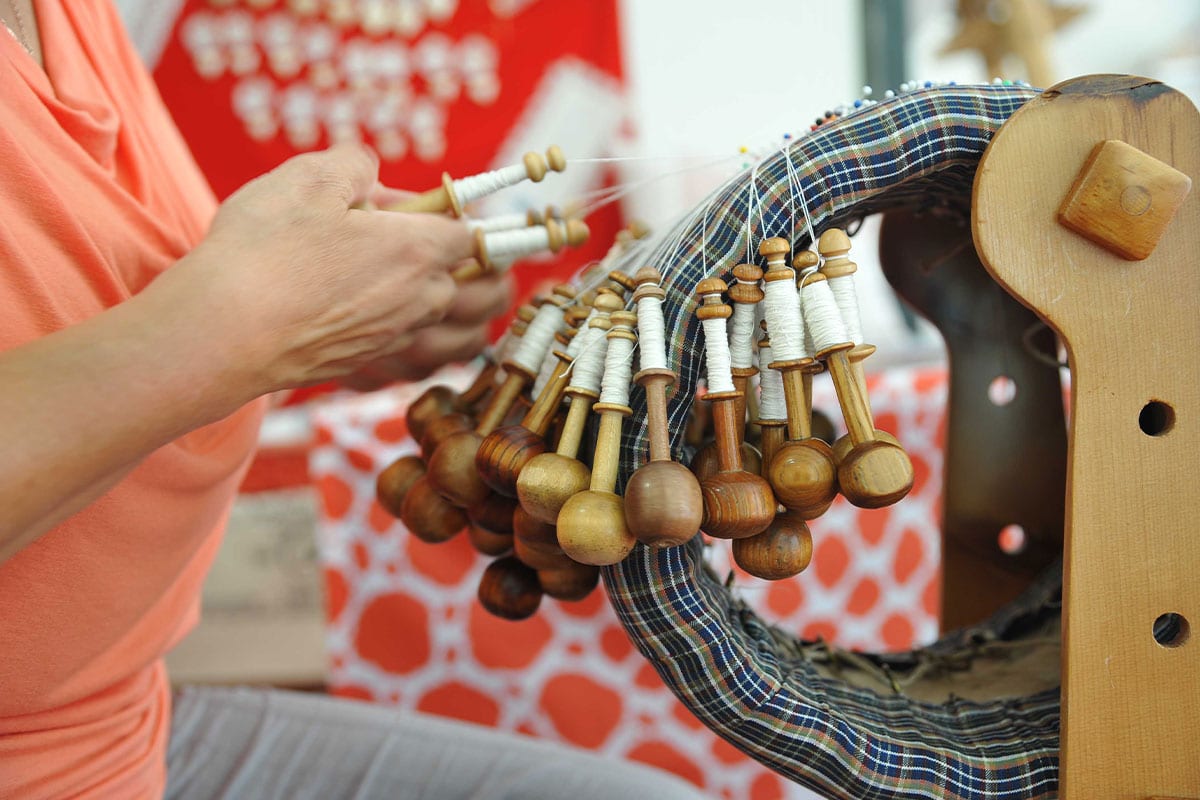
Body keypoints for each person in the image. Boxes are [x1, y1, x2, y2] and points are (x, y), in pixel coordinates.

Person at [0, 2, 698, 798]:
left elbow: (95, 323)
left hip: (125, 734)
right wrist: (241, 325)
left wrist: (329, 319)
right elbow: (181, 341)